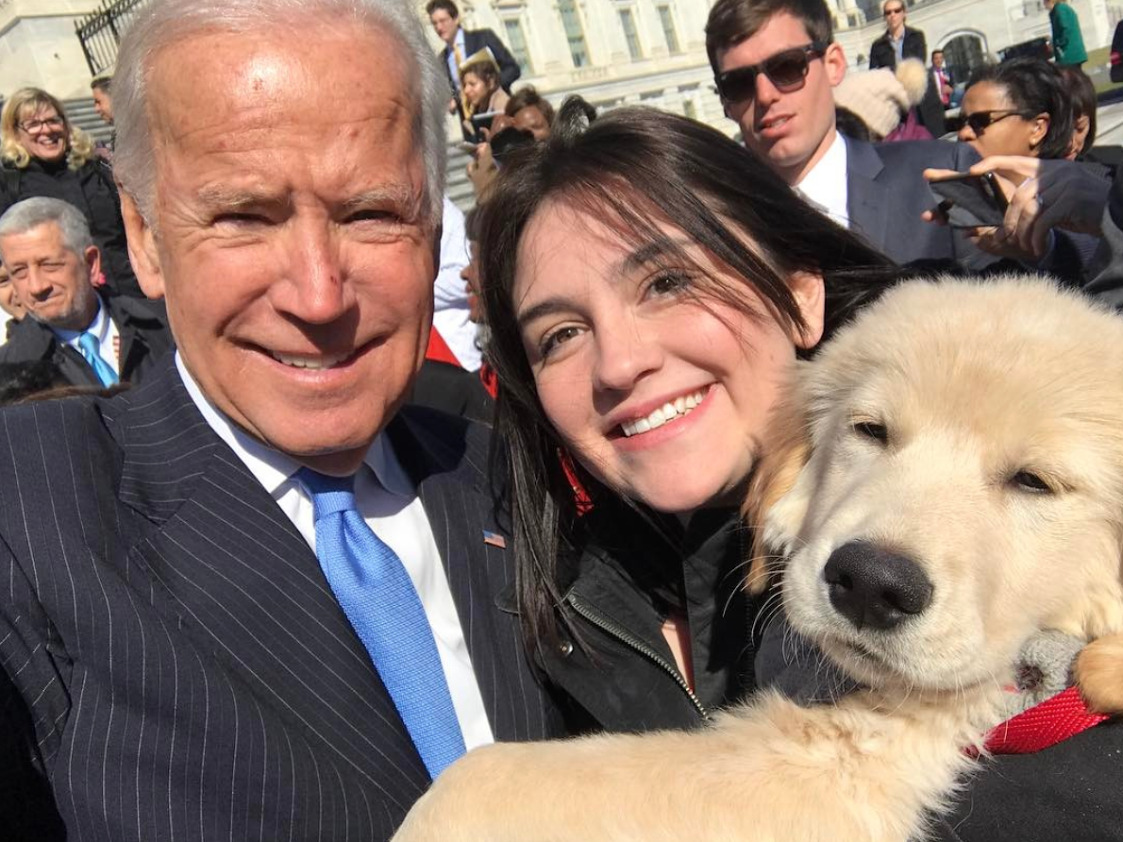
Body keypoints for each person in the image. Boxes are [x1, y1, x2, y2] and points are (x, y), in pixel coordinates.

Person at [0, 0, 564, 838]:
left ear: (433, 226)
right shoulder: (32, 509)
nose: (317, 294)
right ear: (144, 237)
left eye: (371, 214)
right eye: (243, 218)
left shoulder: (508, 476)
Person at [475, 97, 897, 734]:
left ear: (801, 295)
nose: (617, 364)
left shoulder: (1004, 543)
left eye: (666, 282)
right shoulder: (539, 620)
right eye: (560, 334)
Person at [704, 0, 987, 270]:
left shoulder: (945, 172)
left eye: (786, 66)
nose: (765, 95)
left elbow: (1012, 295)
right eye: (739, 83)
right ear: (726, 102)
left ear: (833, 65)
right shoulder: (720, 233)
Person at [0, 197, 170, 387]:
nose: (36, 287)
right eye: (19, 272)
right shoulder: (9, 374)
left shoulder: (165, 324)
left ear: (91, 263)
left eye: (49, 265)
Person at [0, 88, 141, 297]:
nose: (46, 130)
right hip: (67, 304)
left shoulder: (93, 167)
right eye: (33, 124)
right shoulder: (10, 183)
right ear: (15, 132)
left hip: (132, 292)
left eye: (53, 120)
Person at [426, 0, 520, 136]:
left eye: (443, 20)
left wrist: (488, 88)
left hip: (500, 116)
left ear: (456, 18)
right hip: (472, 128)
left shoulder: (483, 38)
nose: (439, 27)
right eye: (434, 23)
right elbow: (455, 94)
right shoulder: (442, 60)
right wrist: (451, 101)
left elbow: (513, 69)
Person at [868, 0, 944, 136]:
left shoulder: (916, 36)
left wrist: (893, 74)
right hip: (897, 105)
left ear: (904, 13)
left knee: (934, 141)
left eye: (897, 11)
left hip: (923, 100)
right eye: (888, 12)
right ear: (884, 17)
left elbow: (917, 64)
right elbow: (874, 74)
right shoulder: (877, 46)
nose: (893, 15)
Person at [460, 58, 510, 140]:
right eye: (464, 85)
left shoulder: (502, 107)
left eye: (472, 84)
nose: (466, 90)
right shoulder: (481, 107)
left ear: (490, 82)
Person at [1046, 0, 1086, 69]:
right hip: (1069, 53)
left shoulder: (1060, 9)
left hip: (1069, 53)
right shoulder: (1058, 10)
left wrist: (1057, 43)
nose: (1044, 6)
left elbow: (1066, 30)